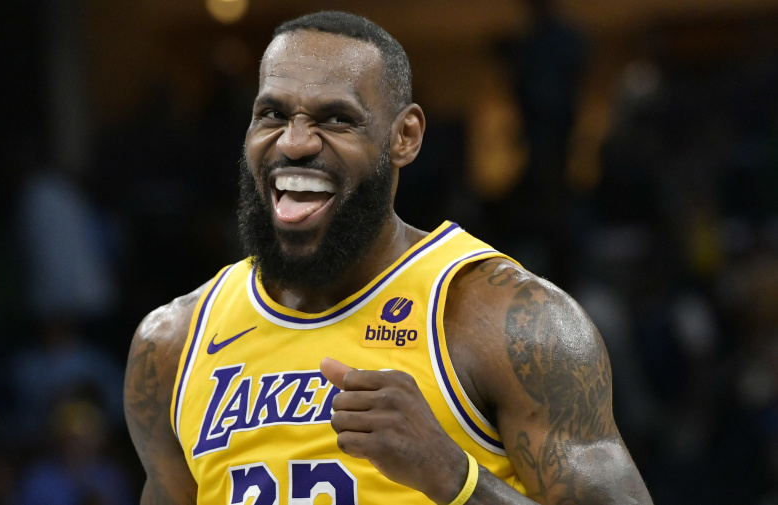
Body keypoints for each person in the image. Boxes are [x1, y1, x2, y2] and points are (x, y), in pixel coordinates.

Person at [124, 10, 654, 505]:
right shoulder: (170, 345)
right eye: (272, 114)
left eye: (336, 119)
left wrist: (454, 476)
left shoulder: (506, 321)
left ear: (404, 137)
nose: (296, 141)